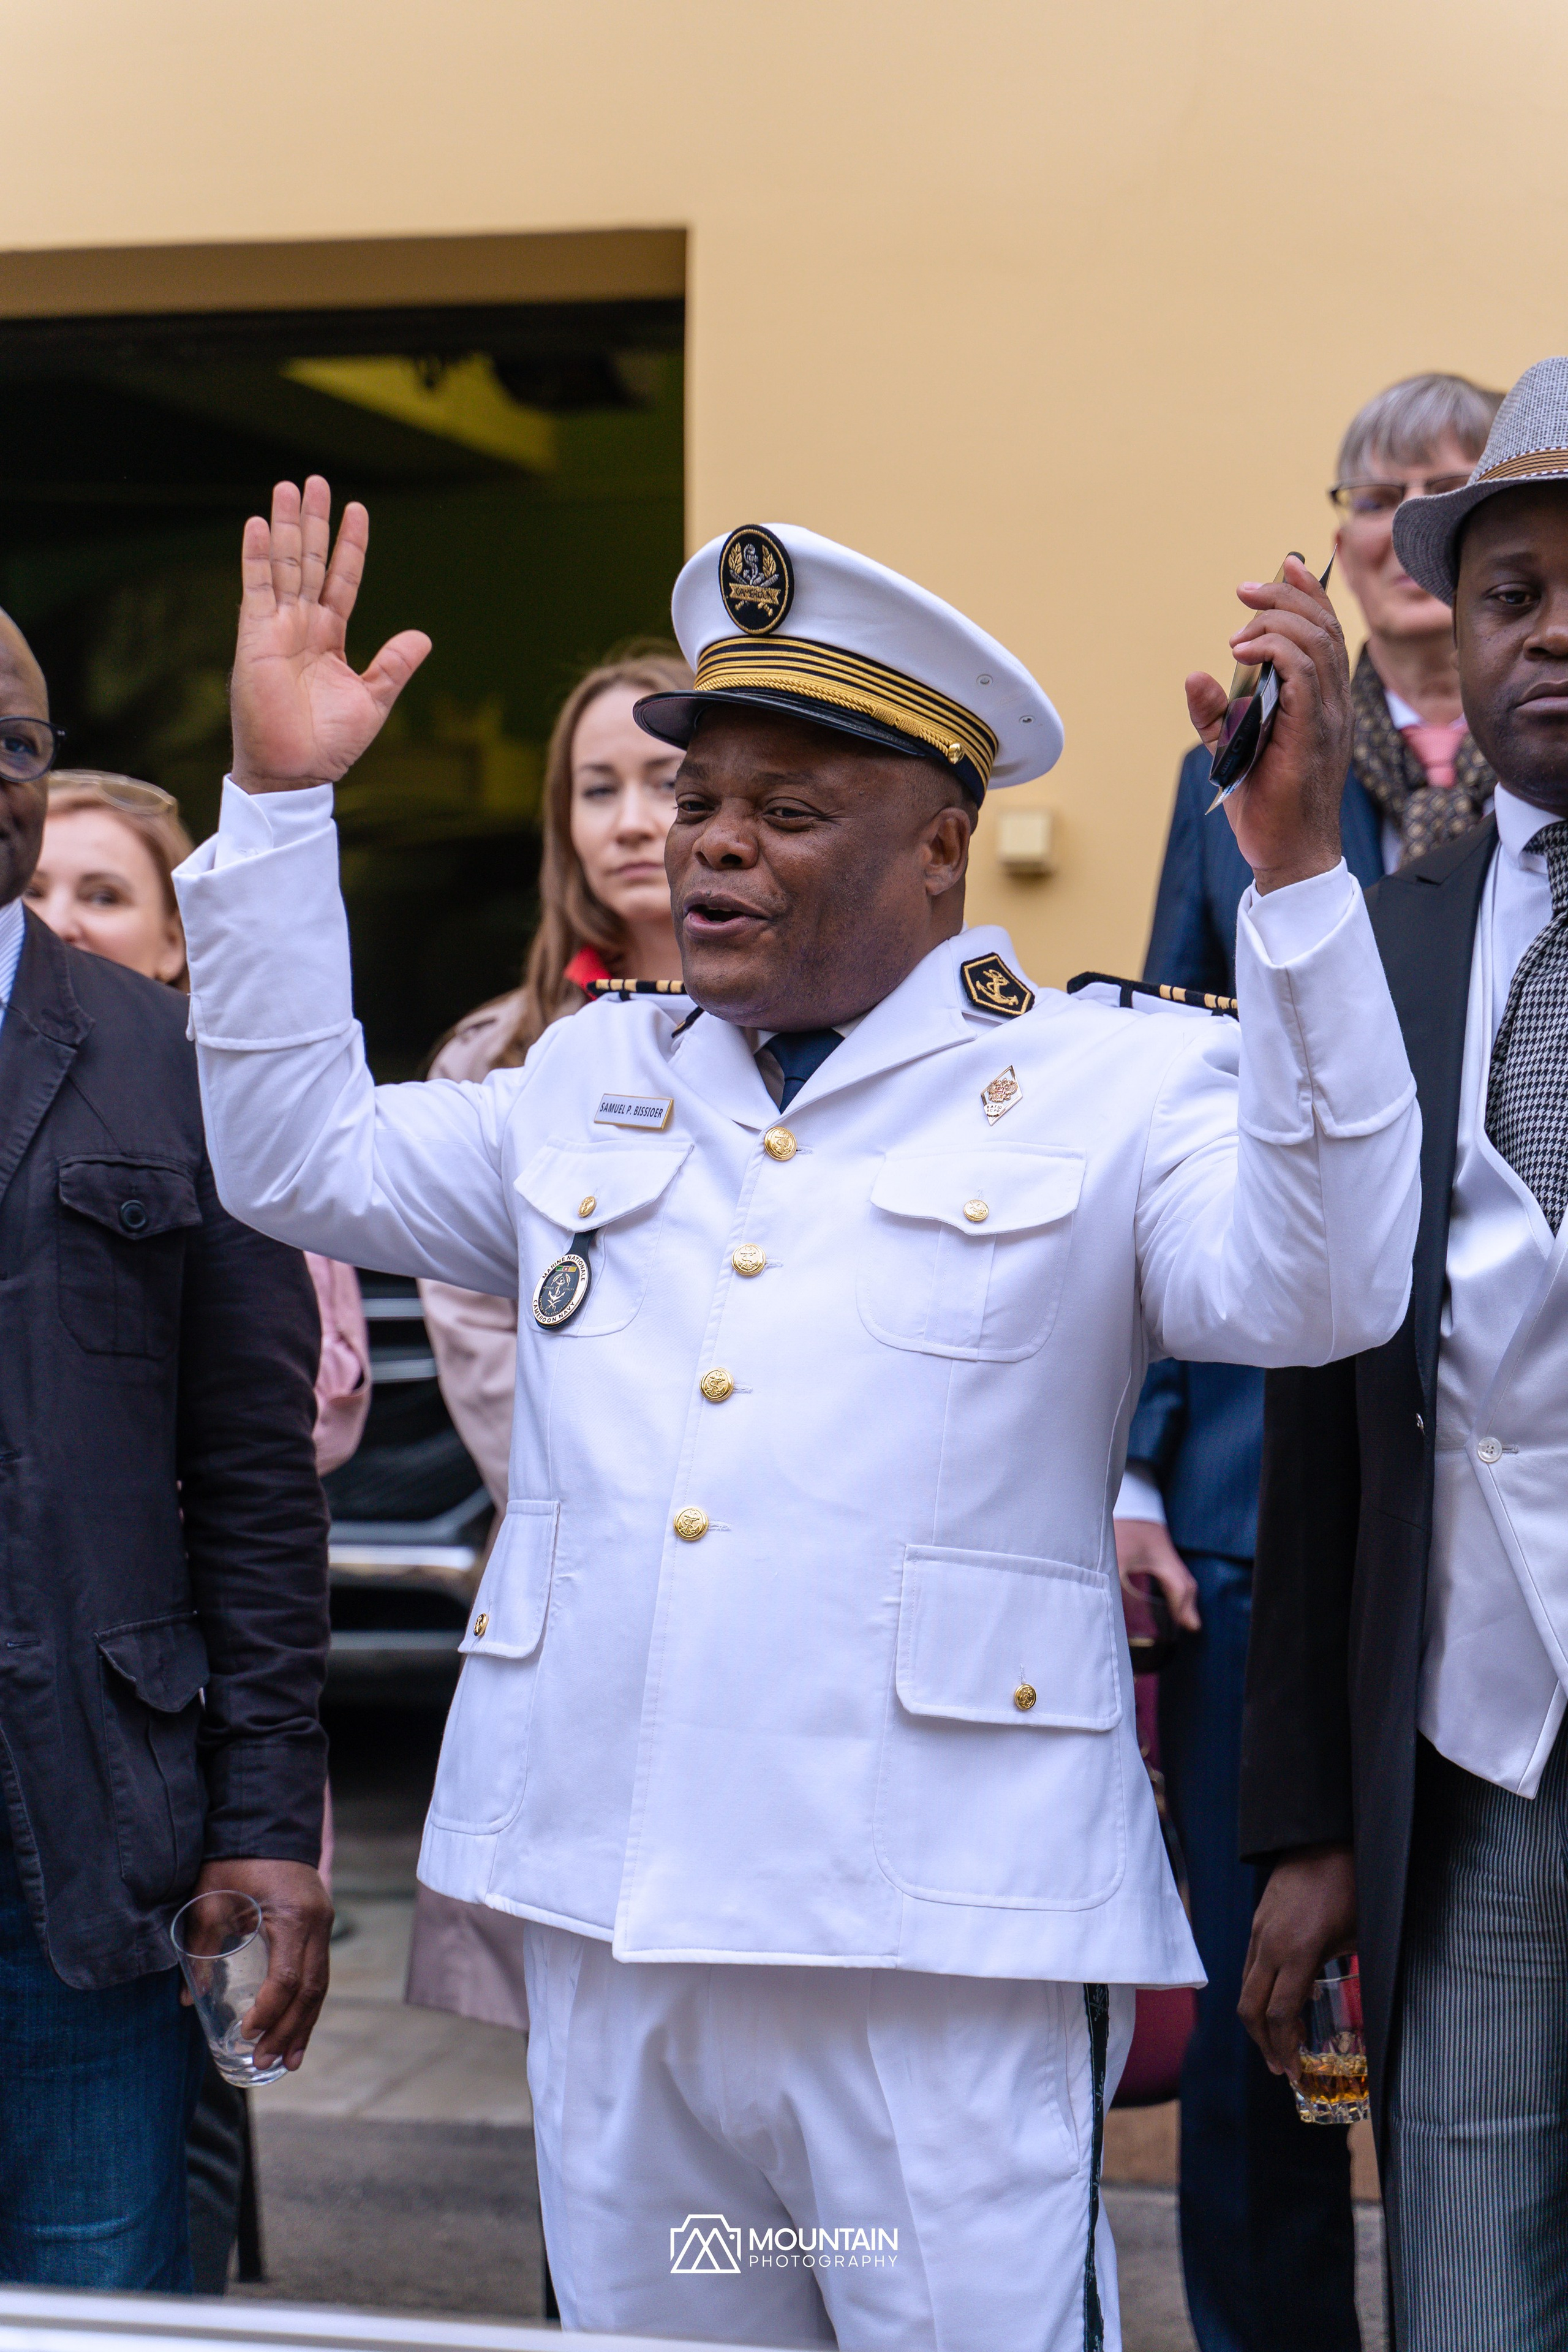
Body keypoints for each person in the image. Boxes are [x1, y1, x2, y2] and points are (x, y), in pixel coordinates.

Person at [175, 477, 1421, 2351]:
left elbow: (1330, 1285)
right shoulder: (590, 1080)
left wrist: (1303, 886)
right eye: (695, 801)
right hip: (630, 1937)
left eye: (785, 811)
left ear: (939, 848)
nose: (709, 847)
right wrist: (278, 807)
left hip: (926, 1964)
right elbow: (289, 1155)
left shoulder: (1104, 1082)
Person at [1111, 371, 1502, 2352]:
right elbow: (1181, 1116)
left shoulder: (1545, 752)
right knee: (1267, 1985)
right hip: (1276, 1491)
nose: (1407, 527)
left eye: (1456, 494)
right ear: (1349, 530)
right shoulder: (1250, 767)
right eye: (1384, 494)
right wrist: (1134, 1468)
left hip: (1511, 1482)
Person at [1239, 355, 1568, 2349]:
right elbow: (1325, 1396)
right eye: (1517, 593)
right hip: (1479, 1761)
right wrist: (1310, 1820)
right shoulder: (1396, 939)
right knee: (1471, 2277)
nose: (1556, 634)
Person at [0, 646, 333, 2293]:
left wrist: (268, 1810)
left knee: (92, 2314)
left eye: (10, 742)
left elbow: (260, 1481)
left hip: (78, 1860)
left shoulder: (178, 1066)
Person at [409, 649, 687, 2037]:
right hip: (580, 1583)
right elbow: (484, 1356)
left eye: (667, 779)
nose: (633, 819)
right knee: (585, 2053)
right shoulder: (498, 1059)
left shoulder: (848, 1041)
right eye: (598, 789)